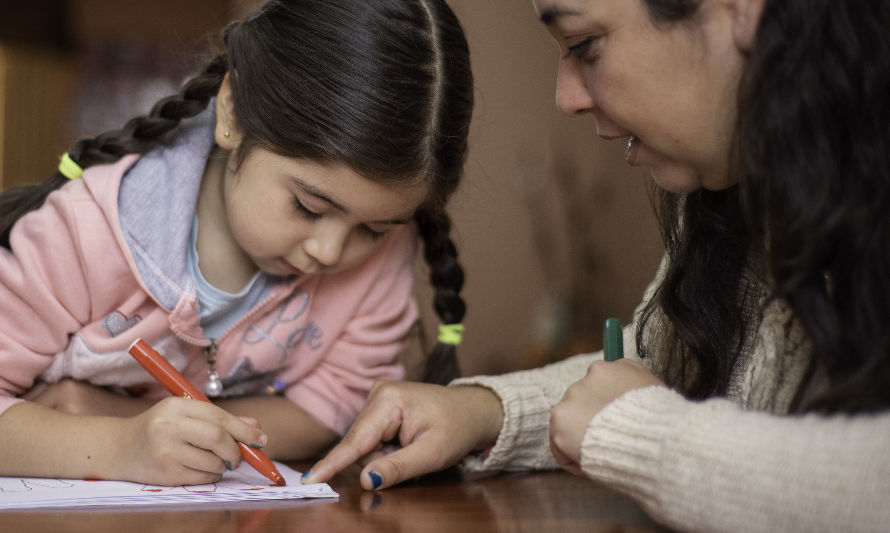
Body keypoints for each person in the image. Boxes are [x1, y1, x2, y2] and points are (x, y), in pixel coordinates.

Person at [302, 0, 890, 531]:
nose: (566, 98)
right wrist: (485, 410)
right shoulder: (733, 194)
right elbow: (657, 363)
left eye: (584, 46)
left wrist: (637, 439)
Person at [0, 0, 473, 486]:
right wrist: (116, 447)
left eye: (373, 230)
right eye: (308, 207)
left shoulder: (380, 257)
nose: (330, 253)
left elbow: (340, 404)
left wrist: (119, 415)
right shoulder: (86, 233)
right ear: (232, 111)